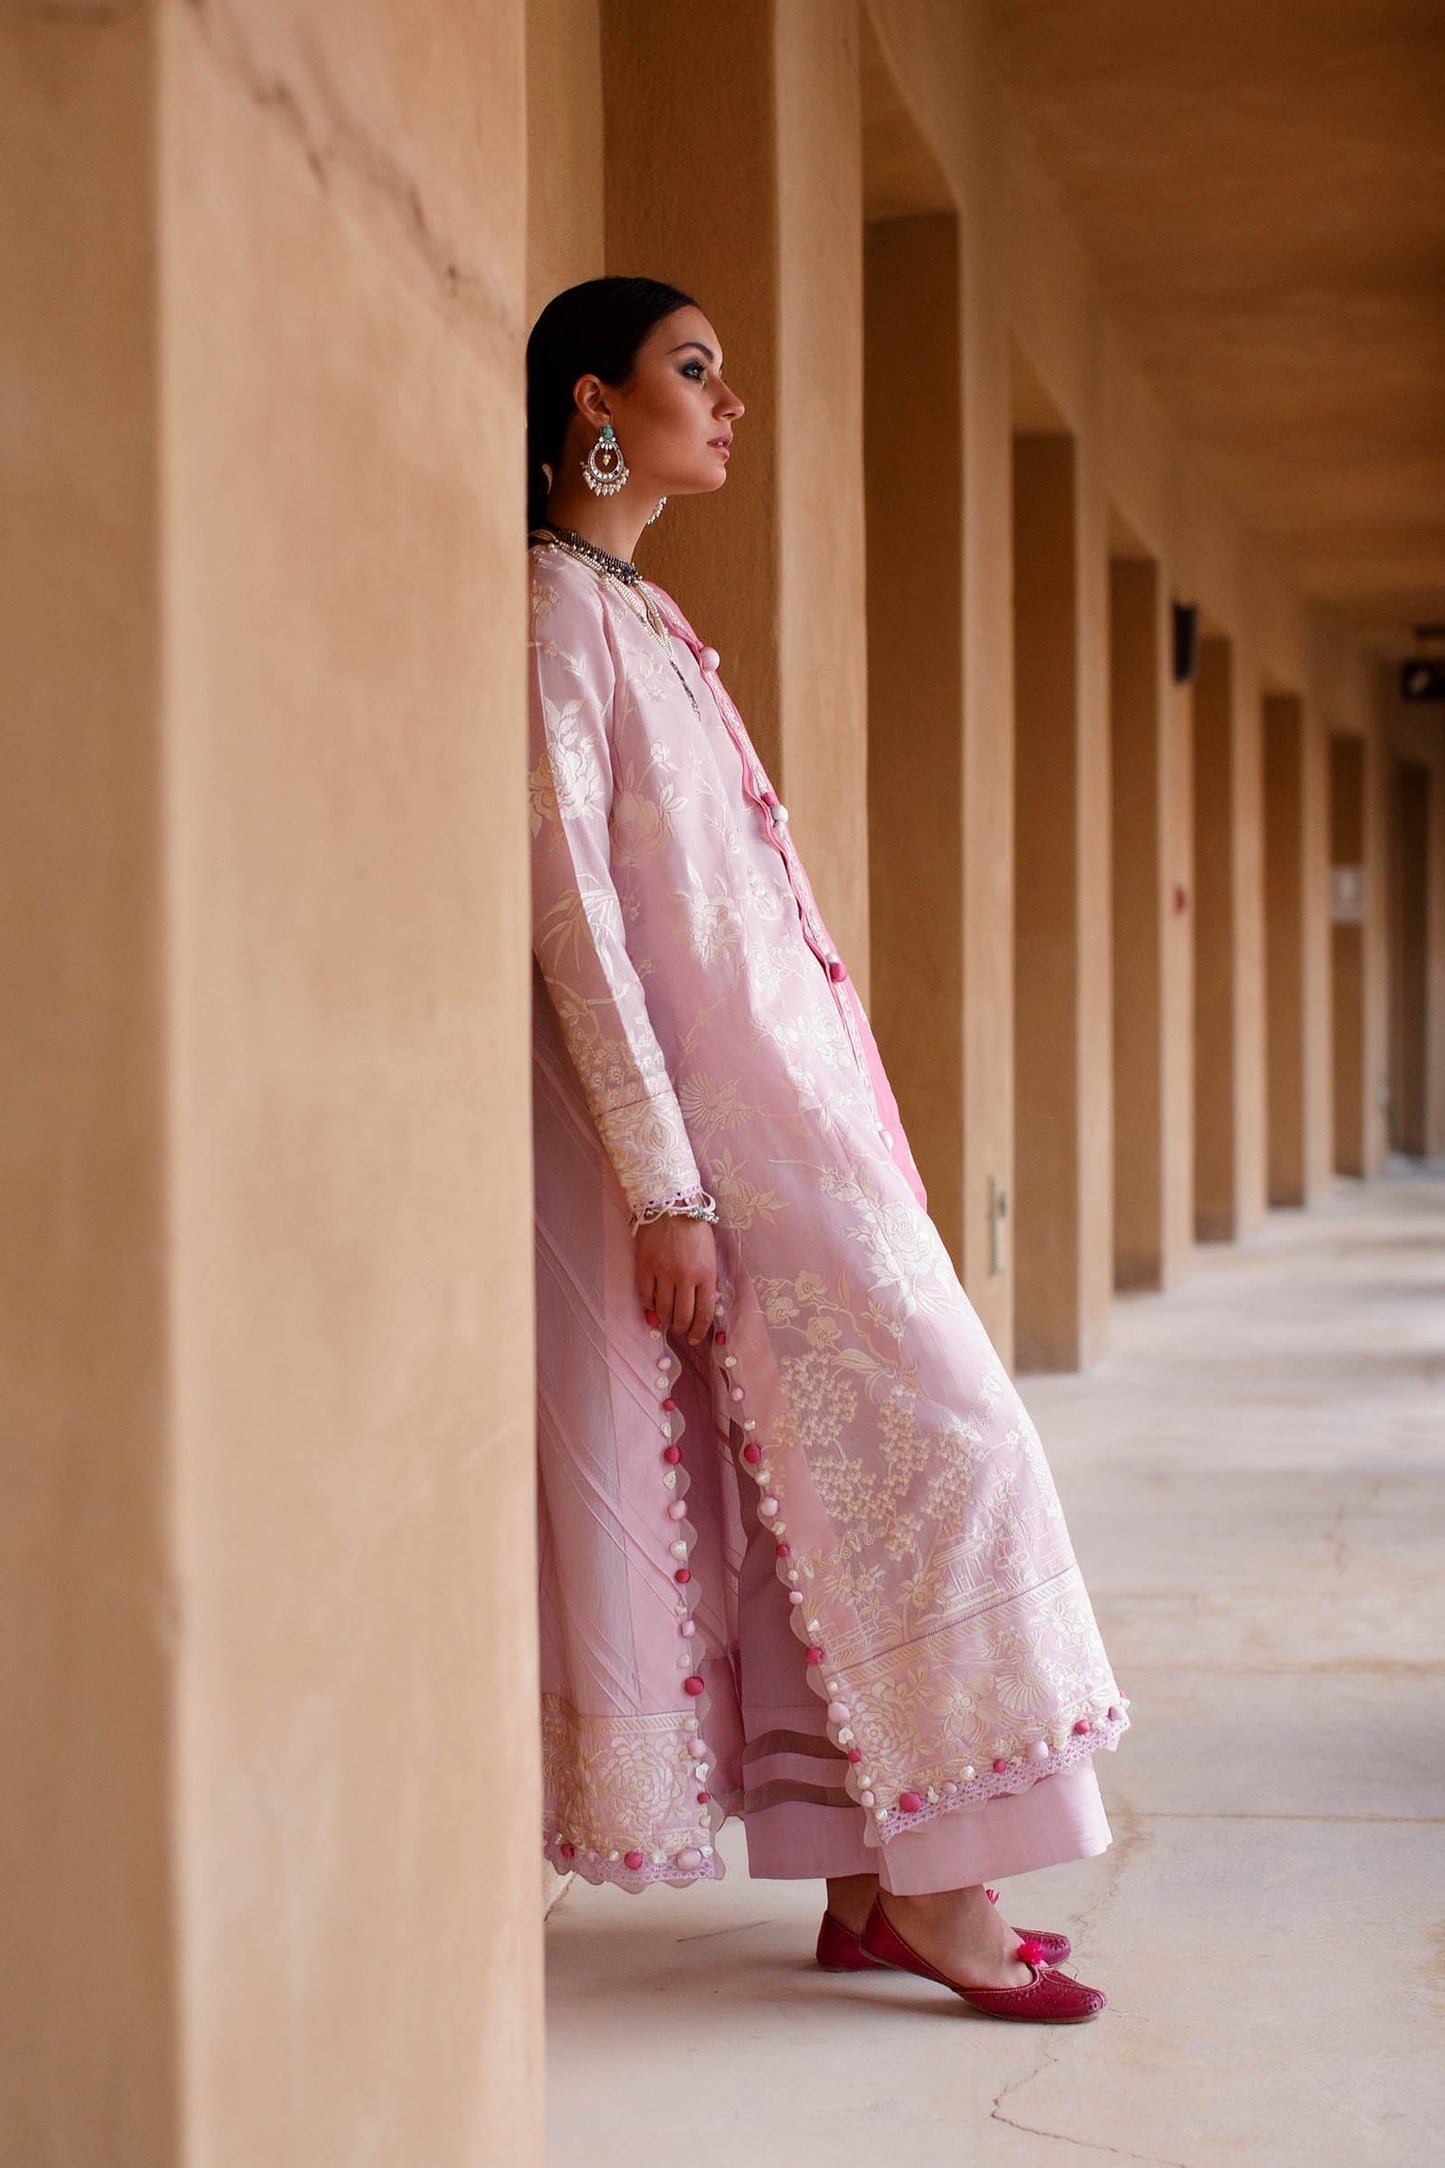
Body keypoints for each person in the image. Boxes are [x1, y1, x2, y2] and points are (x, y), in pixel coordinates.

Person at [526, 275, 1128, 2024]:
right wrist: (661, 1183)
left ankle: (876, 1884)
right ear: (592, 404)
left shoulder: (641, 612)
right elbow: (575, 916)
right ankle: (941, 1888)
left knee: (841, 1487)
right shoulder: (556, 614)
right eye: (691, 371)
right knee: (951, 1447)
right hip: (723, 1155)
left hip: (801, 1131)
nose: (727, 404)